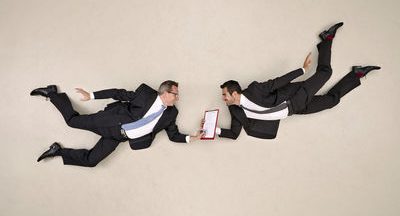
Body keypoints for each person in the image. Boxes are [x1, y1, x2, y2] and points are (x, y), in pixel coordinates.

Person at [216, 22, 381, 140]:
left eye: (225, 95)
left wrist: (301, 70)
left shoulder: (254, 89)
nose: (223, 99)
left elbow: (277, 82)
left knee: (326, 72)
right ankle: (356, 74)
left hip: (295, 96)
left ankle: (327, 39)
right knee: (331, 101)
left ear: (234, 92)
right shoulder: (235, 111)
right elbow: (233, 134)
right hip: (295, 110)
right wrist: (213, 130)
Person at [30, 81, 204, 167]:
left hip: (118, 137)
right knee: (72, 121)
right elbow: (118, 93)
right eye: (175, 94)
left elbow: (173, 135)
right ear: (165, 93)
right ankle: (53, 94)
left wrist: (193, 138)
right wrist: (91, 95)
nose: (177, 97)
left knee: (92, 161)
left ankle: (58, 151)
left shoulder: (172, 113)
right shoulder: (145, 94)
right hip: (111, 121)